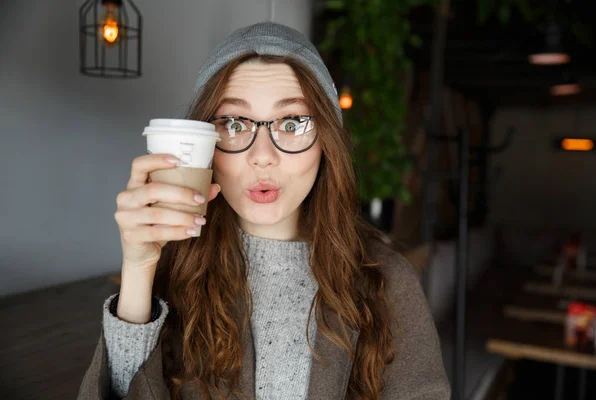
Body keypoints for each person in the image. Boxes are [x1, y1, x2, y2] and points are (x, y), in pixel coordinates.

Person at [77, 21, 450, 400]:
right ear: (206, 143)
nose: (262, 157)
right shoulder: (175, 271)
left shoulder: (388, 282)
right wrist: (139, 272)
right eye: (234, 123)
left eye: (292, 123)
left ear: (327, 142)